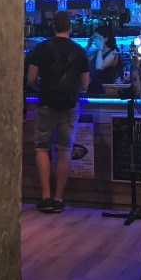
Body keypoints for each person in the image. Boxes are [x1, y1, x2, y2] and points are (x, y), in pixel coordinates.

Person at [27, 11, 89, 213]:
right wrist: (72, 92)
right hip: (69, 106)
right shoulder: (80, 51)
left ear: (53, 26)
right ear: (70, 27)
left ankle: (45, 198)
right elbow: (85, 85)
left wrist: (40, 89)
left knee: (42, 148)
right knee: (65, 150)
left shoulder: (41, 48)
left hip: (46, 104)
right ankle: (59, 199)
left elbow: (31, 79)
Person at [86, 24, 121, 94]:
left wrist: (100, 49)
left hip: (106, 90)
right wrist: (88, 46)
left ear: (105, 39)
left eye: (96, 37)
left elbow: (99, 67)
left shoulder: (113, 53)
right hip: (93, 88)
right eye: (93, 38)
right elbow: (82, 59)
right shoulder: (96, 53)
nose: (94, 40)